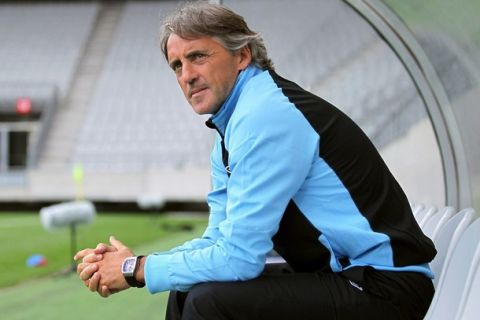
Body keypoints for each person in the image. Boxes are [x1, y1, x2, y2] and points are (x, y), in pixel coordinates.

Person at [74, 2, 437, 319]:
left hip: (385, 289)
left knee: (209, 302)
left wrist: (134, 270)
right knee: (189, 289)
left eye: (198, 56)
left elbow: (239, 259)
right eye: (176, 65)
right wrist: (136, 264)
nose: (187, 76)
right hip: (348, 277)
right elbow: (218, 240)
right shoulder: (233, 126)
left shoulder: (265, 116)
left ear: (242, 55)